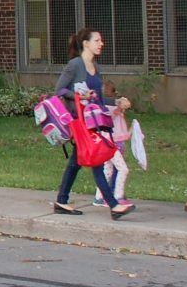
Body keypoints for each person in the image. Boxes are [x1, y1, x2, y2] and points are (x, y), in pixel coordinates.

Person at [52, 29, 134, 218]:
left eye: (101, 40)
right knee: (96, 160)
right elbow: (59, 90)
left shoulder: (95, 68)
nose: (101, 43)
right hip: (79, 122)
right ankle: (113, 205)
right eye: (97, 40)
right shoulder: (75, 65)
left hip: (92, 121)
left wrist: (117, 102)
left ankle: (61, 201)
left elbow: (98, 100)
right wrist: (79, 96)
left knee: (75, 163)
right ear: (86, 43)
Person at [94, 91, 134, 207]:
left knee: (107, 170)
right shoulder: (111, 110)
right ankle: (117, 196)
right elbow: (116, 111)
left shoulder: (102, 109)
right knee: (123, 169)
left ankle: (99, 197)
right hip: (112, 143)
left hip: (107, 142)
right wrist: (119, 105)